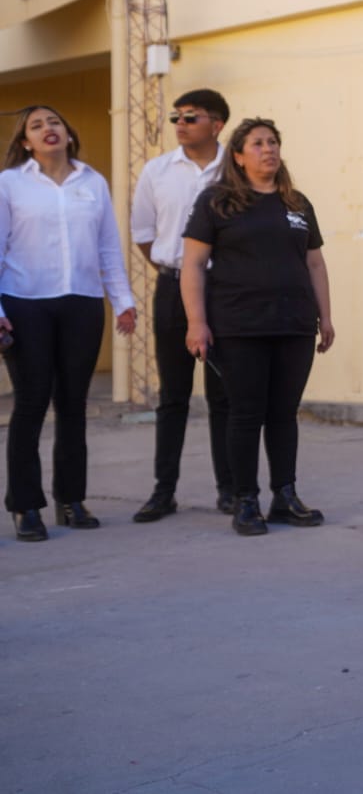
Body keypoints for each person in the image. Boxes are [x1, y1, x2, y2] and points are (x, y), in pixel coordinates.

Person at [181, 118, 334, 537]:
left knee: (284, 414)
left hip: (294, 324)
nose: (268, 149)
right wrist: (197, 323)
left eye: (273, 142)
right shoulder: (217, 201)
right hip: (239, 325)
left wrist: (326, 317)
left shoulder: (297, 203)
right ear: (238, 155)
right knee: (246, 414)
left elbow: (315, 263)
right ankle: (245, 499)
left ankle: (285, 495)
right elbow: (192, 265)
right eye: (258, 143)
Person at [0, 105, 137, 541]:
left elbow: (108, 248)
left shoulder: (92, 182)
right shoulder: (9, 184)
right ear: (26, 142)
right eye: (36, 126)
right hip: (25, 303)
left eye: (54, 122)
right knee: (32, 401)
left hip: (81, 302)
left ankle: (71, 501)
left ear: (68, 131)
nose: (48, 129)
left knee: (73, 405)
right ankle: (25, 506)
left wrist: (123, 301)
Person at [129, 89, 234, 521]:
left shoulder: (236, 169)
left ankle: (230, 490)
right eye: (177, 116)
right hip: (173, 287)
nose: (181, 123)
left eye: (192, 116)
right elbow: (143, 233)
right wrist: (177, 272)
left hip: (227, 291)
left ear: (218, 124)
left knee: (224, 396)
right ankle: (163, 491)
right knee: (172, 396)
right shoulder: (156, 171)